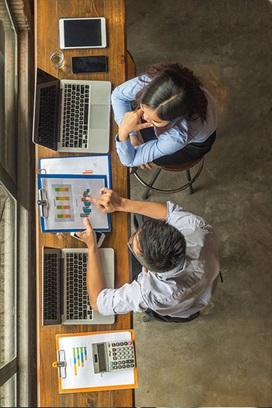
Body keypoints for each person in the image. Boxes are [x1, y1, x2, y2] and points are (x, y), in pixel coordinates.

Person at [78, 188, 220, 322]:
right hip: (206, 280)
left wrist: (92, 247)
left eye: (132, 244)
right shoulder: (195, 227)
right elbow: (169, 211)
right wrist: (121, 203)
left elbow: (98, 303)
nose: (131, 238)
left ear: (147, 269)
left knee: (121, 274)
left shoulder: (150, 292)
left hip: (180, 310)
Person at [111, 63, 217, 168]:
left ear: (175, 120)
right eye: (143, 107)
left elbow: (130, 161)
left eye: (156, 121)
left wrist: (124, 132)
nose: (144, 117)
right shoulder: (155, 83)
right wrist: (132, 134)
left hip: (194, 145)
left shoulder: (178, 136)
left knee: (155, 159)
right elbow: (117, 95)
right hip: (196, 112)